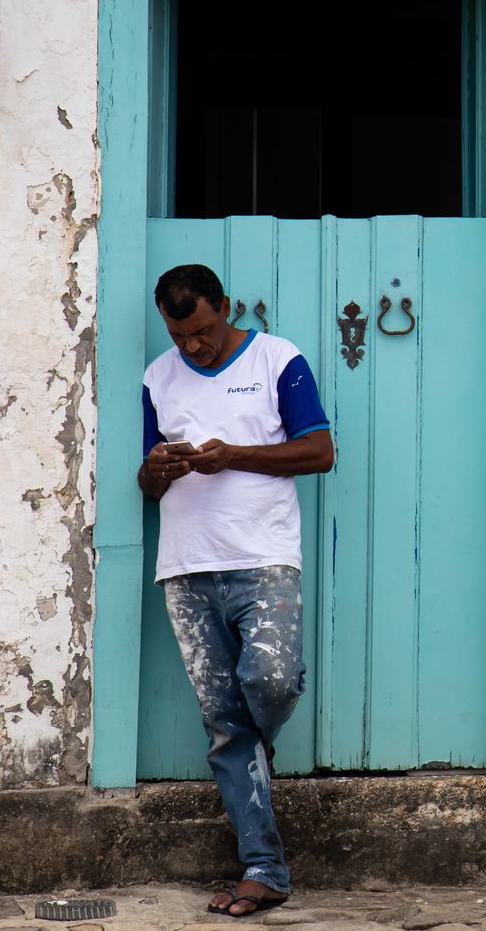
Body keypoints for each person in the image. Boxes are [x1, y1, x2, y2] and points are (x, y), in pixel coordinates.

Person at [139, 264, 334, 918]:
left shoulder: (279, 359)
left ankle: (254, 744)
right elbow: (147, 482)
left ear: (226, 307)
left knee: (271, 682)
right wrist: (155, 468)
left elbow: (319, 452)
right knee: (225, 727)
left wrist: (236, 454)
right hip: (186, 570)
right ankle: (264, 868)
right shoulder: (157, 378)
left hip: (265, 560)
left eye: (203, 330)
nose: (193, 346)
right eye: (179, 334)